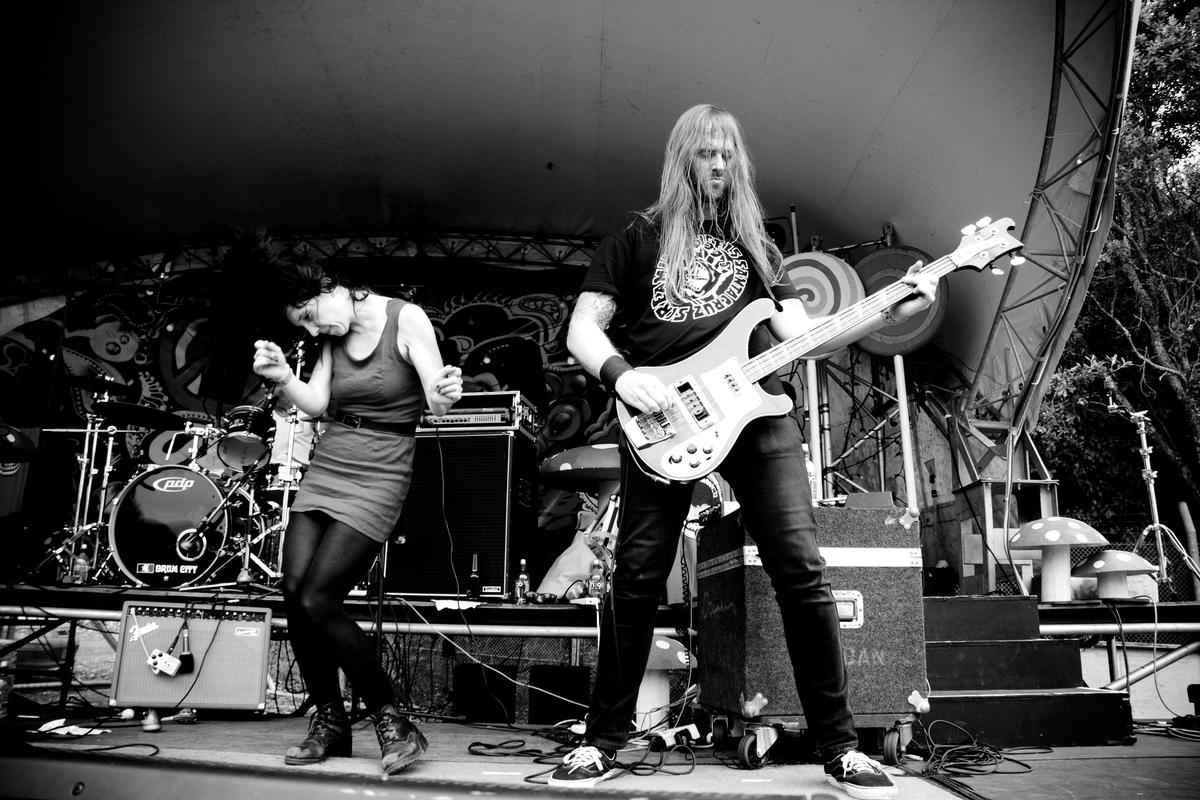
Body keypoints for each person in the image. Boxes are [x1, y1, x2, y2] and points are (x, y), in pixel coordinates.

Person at [551, 104, 936, 798]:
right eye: (706, 153)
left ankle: (840, 746)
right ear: (681, 159)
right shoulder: (635, 238)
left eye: (729, 155)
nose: (720, 166)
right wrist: (623, 376)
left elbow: (805, 337)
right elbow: (583, 329)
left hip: (758, 414)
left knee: (801, 567)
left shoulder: (758, 246)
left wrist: (887, 310)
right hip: (666, 415)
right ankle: (601, 738)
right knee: (636, 575)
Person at [251, 256, 463, 775]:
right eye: (299, 323)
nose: (310, 327)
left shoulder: (406, 319)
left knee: (321, 597)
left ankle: (393, 720)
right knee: (295, 592)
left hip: (381, 472)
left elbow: (437, 402)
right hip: (330, 466)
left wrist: (444, 393)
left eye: (308, 312)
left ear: (331, 286)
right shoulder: (329, 337)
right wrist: (282, 378)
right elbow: (319, 403)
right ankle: (330, 722)